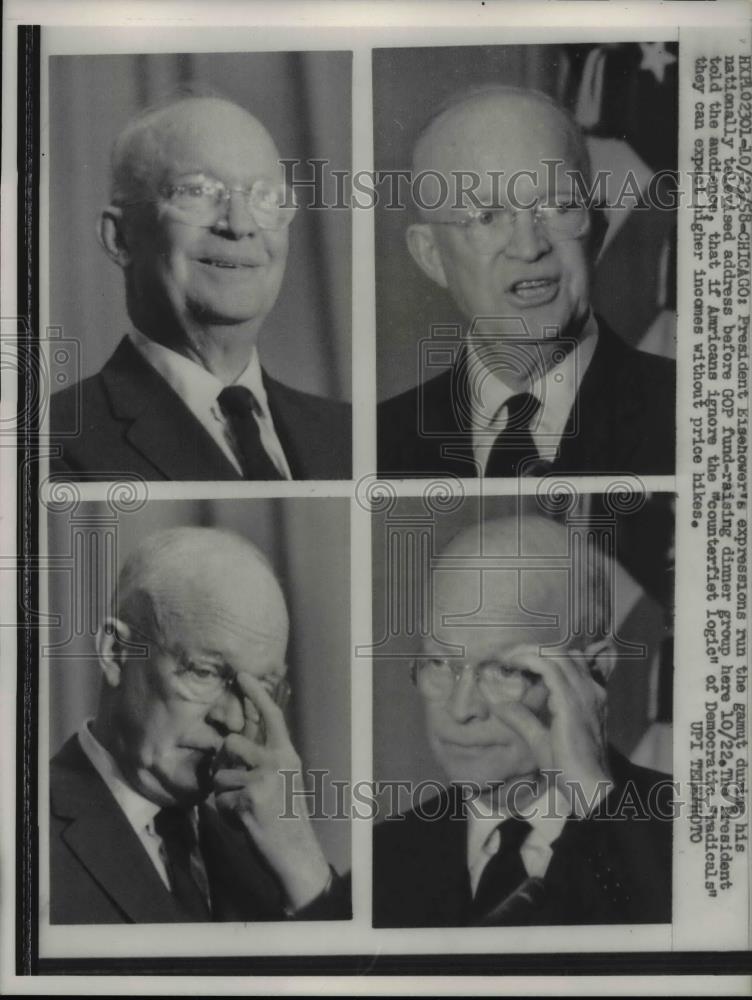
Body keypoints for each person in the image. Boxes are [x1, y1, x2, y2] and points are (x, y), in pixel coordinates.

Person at [373, 515, 673, 927]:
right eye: (441, 663)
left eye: (505, 671)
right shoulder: (384, 857)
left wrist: (592, 794)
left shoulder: (689, 831)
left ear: (595, 671)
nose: (461, 710)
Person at [50, 527, 350, 923]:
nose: (233, 717)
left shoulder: (270, 855)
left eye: (262, 687)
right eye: (205, 672)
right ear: (116, 653)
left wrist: (304, 866)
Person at [377, 86, 675, 478]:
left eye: (558, 207)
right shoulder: (376, 444)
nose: (529, 247)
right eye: (486, 217)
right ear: (431, 255)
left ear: (597, 228)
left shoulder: (691, 413)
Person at [51, 95, 351, 481]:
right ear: (120, 238)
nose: (239, 224)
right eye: (196, 192)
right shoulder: (51, 443)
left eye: (265, 196)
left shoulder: (350, 434)